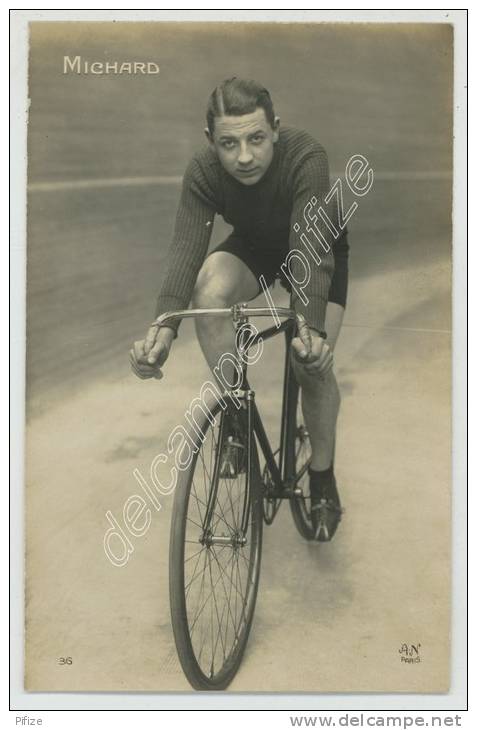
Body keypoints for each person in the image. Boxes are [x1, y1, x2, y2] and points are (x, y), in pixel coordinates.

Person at [130, 77, 349, 541]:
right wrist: (164, 328)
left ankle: (323, 478)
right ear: (212, 142)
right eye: (229, 144)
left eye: (256, 139)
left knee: (311, 364)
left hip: (315, 249)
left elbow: (310, 252)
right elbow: (187, 249)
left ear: (275, 129)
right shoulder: (204, 171)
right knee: (208, 294)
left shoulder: (305, 155)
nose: (244, 157)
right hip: (256, 247)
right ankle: (235, 410)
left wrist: (310, 328)